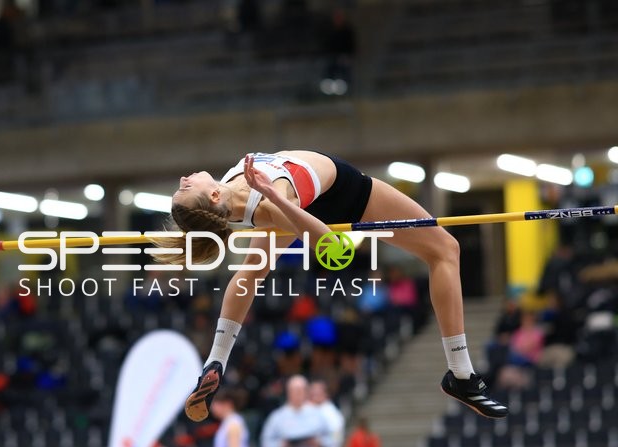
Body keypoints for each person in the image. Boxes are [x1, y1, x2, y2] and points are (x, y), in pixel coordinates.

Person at [155, 151, 508, 420]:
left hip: (302, 203)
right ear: (214, 197)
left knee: (252, 270)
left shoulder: (241, 197)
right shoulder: (271, 201)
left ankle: (214, 363)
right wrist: (275, 196)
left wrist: (273, 198)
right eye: (186, 186)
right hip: (348, 194)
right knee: (446, 250)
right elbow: (337, 252)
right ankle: (461, 374)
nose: (185, 176)